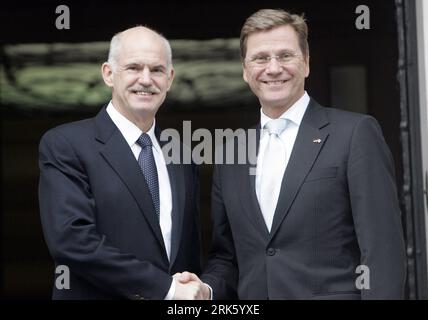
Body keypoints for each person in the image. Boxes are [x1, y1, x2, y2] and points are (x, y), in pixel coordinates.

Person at [177, 9, 407, 299]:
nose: (273, 68)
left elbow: (382, 253)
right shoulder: (230, 153)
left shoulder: (355, 134)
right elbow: (228, 258)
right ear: (245, 70)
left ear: (306, 63)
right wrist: (205, 289)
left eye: (285, 56)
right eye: (260, 58)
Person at [38, 26, 205, 299]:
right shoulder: (65, 144)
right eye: (133, 67)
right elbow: (71, 241)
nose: (146, 79)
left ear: (170, 78)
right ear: (108, 74)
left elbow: (188, 254)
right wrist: (165, 288)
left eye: (157, 70)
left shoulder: (182, 156)